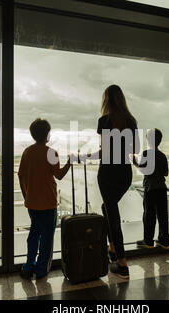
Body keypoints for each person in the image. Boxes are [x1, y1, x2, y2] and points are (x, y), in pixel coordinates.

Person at [81, 84, 139, 279]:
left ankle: (122, 264)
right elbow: (133, 150)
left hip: (108, 172)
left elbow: (104, 151)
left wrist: (83, 156)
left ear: (106, 100)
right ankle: (113, 249)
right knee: (109, 208)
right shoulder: (131, 120)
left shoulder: (104, 121)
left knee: (112, 216)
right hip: (124, 172)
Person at [18, 118, 72, 280]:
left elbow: (21, 176)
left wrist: (26, 196)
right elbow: (59, 175)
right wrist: (69, 162)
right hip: (48, 203)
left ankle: (28, 266)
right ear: (47, 134)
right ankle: (41, 269)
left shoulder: (27, 152)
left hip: (32, 203)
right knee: (47, 239)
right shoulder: (51, 153)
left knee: (34, 235)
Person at [133, 128, 169, 250]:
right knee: (163, 215)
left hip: (150, 188)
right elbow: (166, 173)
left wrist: (135, 163)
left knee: (149, 215)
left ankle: (148, 241)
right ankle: (164, 241)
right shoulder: (163, 156)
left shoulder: (146, 154)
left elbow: (144, 170)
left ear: (149, 140)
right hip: (162, 188)